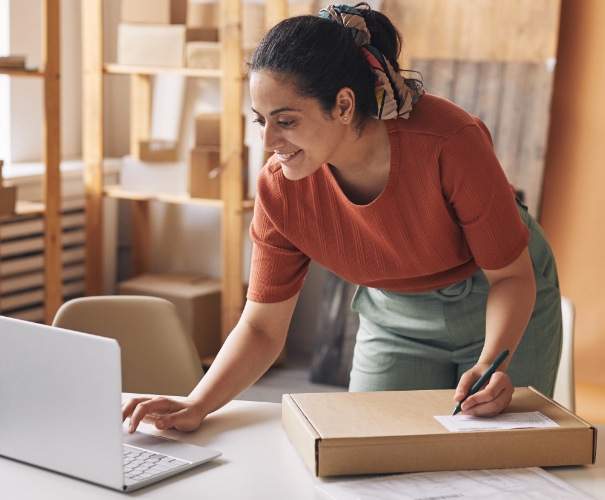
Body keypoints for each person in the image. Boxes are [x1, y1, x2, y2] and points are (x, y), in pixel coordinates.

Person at [123, 3, 561, 434]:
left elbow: (510, 277)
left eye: (286, 120)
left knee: (501, 460)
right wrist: (198, 403)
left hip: (498, 294)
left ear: (345, 104)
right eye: (260, 121)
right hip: (394, 315)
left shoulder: (448, 141)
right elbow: (261, 327)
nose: (268, 141)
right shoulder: (280, 189)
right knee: (372, 453)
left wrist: (491, 363)